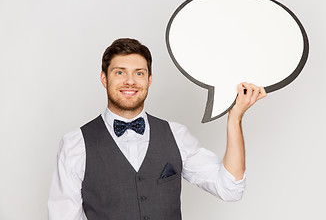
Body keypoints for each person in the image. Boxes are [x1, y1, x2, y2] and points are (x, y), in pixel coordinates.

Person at [48, 38, 267, 220]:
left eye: (139, 73)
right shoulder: (75, 144)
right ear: (104, 79)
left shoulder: (176, 135)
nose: (130, 81)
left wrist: (234, 118)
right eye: (120, 73)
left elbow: (230, 188)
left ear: (150, 80)